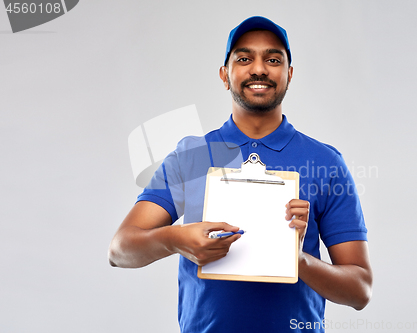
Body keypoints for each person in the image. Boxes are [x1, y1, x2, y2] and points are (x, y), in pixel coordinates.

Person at [109, 16, 372, 333]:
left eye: (273, 59)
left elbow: (360, 290)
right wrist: (175, 239)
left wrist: (297, 260)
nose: (259, 69)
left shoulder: (326, 162)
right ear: (225, 75)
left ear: (288, 74)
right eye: (244, 58)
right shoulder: (190, 156)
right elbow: (120, 251)